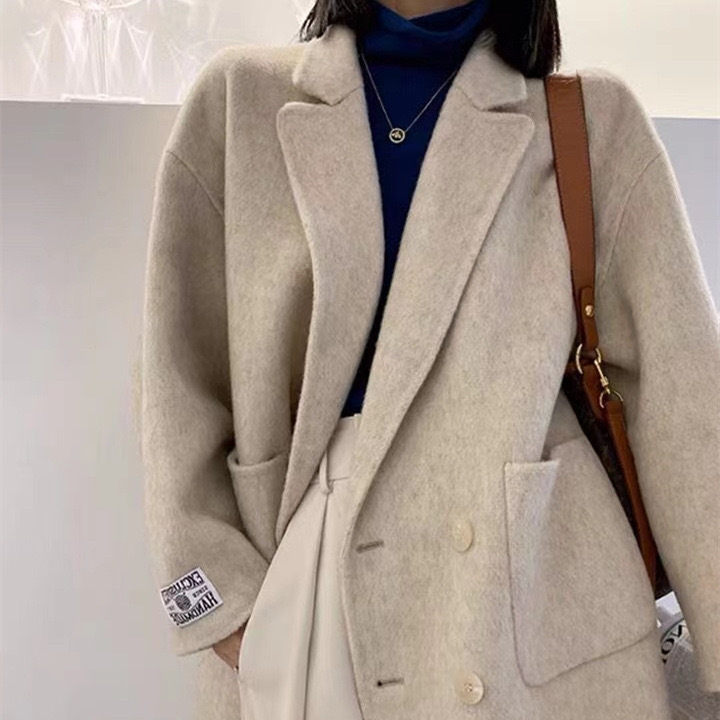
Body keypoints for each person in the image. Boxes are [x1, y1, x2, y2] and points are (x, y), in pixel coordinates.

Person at [134, 1, 720, 719]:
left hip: (534, 616)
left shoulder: (592, 122)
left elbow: (689, 413)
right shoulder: (241, 102)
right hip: (309, 596)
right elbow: (175, 382)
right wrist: (216, 603)